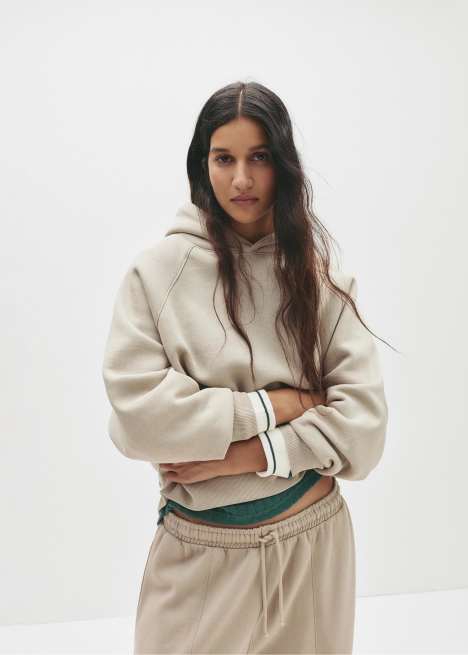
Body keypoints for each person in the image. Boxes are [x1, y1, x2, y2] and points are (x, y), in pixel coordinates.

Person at [102, 80, 390, 654]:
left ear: (283, 163)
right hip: (200, 555)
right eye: (224, 158)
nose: (241, 179)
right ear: (201, 164)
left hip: (312, 548)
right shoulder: (156, 275)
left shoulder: (321, 281)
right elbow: (139, 420)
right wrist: (280, 404)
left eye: (259, 157)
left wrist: (241, 454)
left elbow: (363, 430)